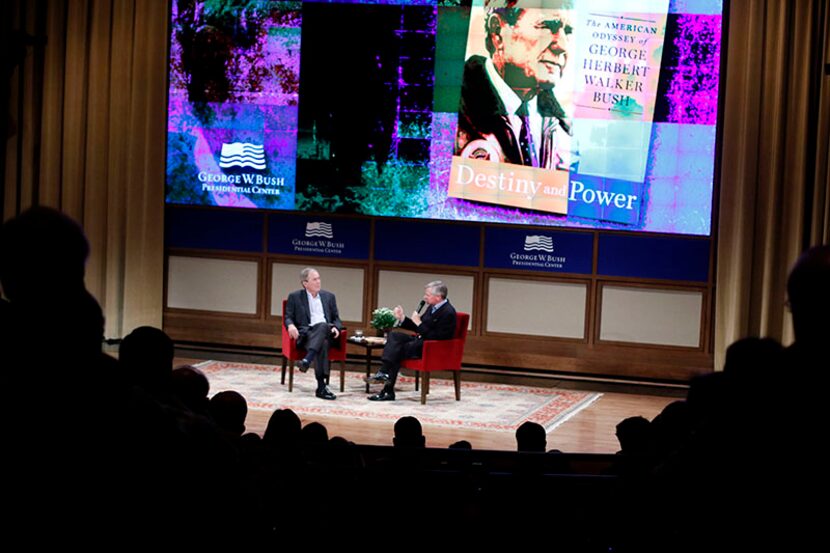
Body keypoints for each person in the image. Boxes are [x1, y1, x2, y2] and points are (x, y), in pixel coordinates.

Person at [455, 0, 576, 170]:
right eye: (547, 26)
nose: (562, 46)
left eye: (568, 31)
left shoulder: (566, 132)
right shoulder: (448, 110)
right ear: (498, 32)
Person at [366, 280, 457, 401]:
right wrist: (403, 318)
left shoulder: (448, 312)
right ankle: (385, 378)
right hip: (420, 341)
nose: (425, 297)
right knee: (394, 336)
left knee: (396, 351)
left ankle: (386, 384)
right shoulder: (432, 307)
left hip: (431, 348)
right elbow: (417, 327)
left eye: (428, 295)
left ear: (438, 297)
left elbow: (437, 336)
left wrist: (419, 322)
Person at [284, 267, 343, 400]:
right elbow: (288, 317)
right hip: (308, 335)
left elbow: (337, 319)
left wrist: (337, 328)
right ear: (305, 283)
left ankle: (307, 360)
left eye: (319, 278)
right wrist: (290, 325)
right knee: (323, 343)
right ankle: (321, 387)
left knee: (323, 326)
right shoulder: (295, 297)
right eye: (314, 279)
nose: (318, 282)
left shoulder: (329, 297)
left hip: (327, 331)